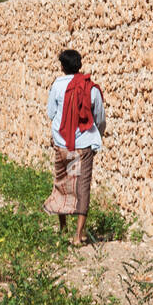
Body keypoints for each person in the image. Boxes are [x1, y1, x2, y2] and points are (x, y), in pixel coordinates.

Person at [43, 48, 106, 245]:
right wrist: (96, 136)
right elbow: (100, 118)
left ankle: (63, 228)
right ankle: (78, 235)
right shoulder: (91, 88)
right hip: (84, 145)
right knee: (82, 186)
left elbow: (51, 113)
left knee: (63, 183)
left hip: (63, 144)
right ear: (79, 65)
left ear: (62, 67)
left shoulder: (57, 86)